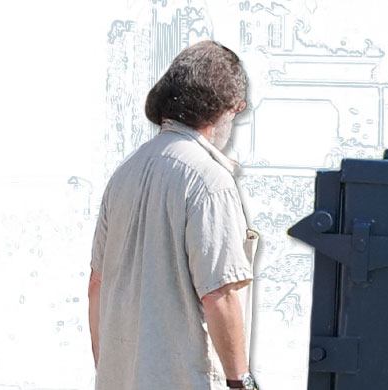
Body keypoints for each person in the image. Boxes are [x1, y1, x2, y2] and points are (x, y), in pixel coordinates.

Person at [88, 40, 261, 390]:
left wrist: (111, 369)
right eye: (238, 111)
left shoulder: (125, 173)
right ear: (225, 108)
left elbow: (96, 286)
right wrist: (242, 382)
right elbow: (219, 293)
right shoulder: (210, 180)